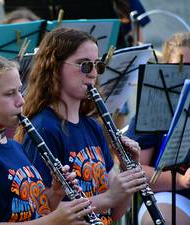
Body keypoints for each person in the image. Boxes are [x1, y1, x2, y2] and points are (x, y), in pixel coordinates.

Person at [0, 53, 97, 225]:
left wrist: (55, 193)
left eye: (19, 91)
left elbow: (35, 212)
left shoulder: (15, 147)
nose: (20, 101)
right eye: (9, 94)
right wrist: (54, 221)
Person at [15, 28, 147, 225]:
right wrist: (108, 198)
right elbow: (42, 211)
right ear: (54, 67)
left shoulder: (93, 126)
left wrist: (129, 170)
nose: (93, 73)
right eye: (83, 65)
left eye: (97, 65)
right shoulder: (43, 129)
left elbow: (114, 214)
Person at [127, 32, 190, 225]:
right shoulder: (152, 111)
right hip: (172, 196)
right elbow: (133, 170)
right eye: (179, 70)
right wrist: (180, 181)